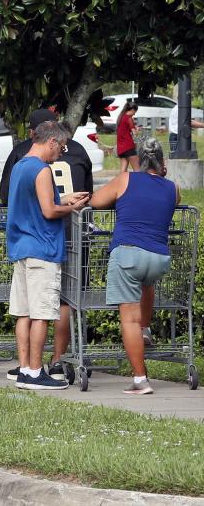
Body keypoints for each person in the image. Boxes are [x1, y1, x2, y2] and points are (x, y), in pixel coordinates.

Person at [0, 109, 93, 380]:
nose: (61, 153)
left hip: (22, 246)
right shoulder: (41, 170)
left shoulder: (20, 165)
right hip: (43, 248)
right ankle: (36, 371)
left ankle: (25, 366)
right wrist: (72, 208)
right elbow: (49, 211)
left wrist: (64, 199)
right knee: (41, 314)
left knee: (23, 313)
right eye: (60, 147)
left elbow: (34, 203)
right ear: (50, 141)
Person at [89, 138, 178, 395]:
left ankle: (140, 380)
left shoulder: (125, 179)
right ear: (163, 163)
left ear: (138, 159)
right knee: (146, 282)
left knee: (128, 319)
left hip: (128, 254)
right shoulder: (174, 187)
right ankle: (145, 330)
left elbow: (95, 201)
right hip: (158, 258)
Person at [116, 101, 139, 172]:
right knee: (137, 170)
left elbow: (124, 130)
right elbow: (134, 133)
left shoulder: (120, 117)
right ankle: (138, 183)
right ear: (132, 110)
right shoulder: (129, 118)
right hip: (128, 147)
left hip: (121, 148)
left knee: (123, 171)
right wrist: (137, 129)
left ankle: (121, 183)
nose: (134, 114)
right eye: (135, 112)